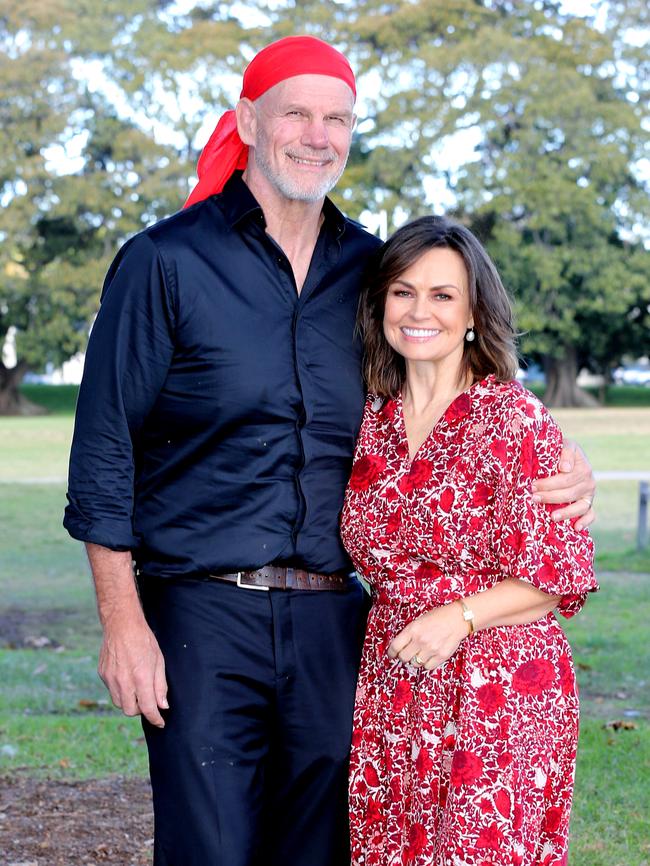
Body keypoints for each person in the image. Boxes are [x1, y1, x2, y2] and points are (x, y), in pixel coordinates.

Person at [63, 36, 596, 866]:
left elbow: (457, 384)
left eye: (337, 118)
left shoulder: (373, 271)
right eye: (297, 114)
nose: (317, 136)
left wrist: (568, 467)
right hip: (202, 614)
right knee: (209, 849)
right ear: (248, 121)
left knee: (327, 849)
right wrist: (121, 623)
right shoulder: (163, 261)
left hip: (340, 624)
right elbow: (103, 453)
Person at [340, 215, 599, 866]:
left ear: (475, 311)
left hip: (500, 687)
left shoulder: (512, 418)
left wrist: (457, 619)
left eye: (442, 294)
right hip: (396, 681)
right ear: (381, 306)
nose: (419, 310)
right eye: (403, 291)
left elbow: (555, 574)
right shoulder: (369, 419)